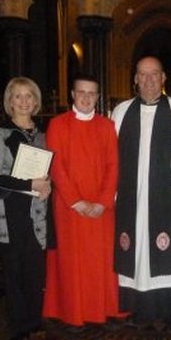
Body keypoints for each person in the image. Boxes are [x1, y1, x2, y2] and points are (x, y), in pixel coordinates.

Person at [111, 56, 171, 331]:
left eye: (154, 74)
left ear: (164, 78)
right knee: (135, 250)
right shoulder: (121, 112)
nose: (148, 80)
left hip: (170, 197)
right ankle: (137, 309)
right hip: (130, 197)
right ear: (135, 79)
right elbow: (112, 159)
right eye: (142, 75)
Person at [42, 74, 123, 326]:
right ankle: (73, 312)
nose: (86, 98)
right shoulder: (57, 124)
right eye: (81, 92)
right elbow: (56, 165)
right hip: (69, 207)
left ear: (97, 98)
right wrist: (75, 201)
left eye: (92, 93)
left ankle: (105, 308)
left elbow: (113, 165)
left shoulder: (107, 126)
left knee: (102, 260)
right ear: (72, 95)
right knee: (72, 261)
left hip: (101, 207)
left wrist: (102, 201)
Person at [0, 76, 52, 340]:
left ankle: (35, 319)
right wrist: (29, 182)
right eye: (18, 96)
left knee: (36, 268)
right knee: (13, 269)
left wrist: (48, 185)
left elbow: (51, 169)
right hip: (10, 209)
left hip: (38, 210)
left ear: (35, 101)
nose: (24, 101)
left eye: (29, 96)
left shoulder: (44, 134)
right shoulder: (0, 134)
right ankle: (19, 323)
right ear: (9, 102)